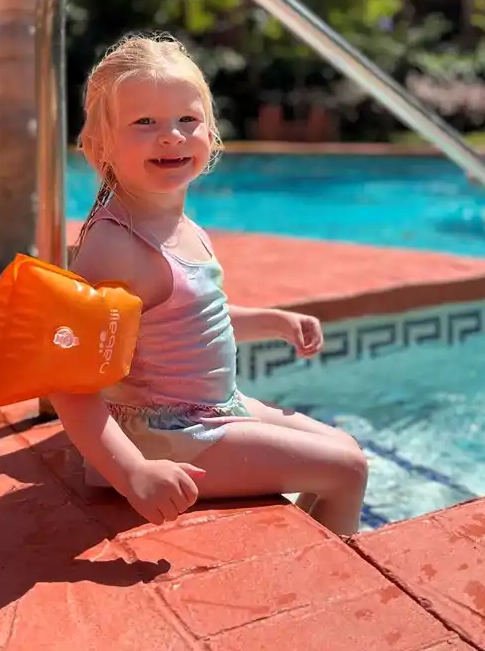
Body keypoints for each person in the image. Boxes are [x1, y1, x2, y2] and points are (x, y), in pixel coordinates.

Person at [49, 33, 369, 536]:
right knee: (347, 472)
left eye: (187, 119)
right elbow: (69, 379)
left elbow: (186, 316)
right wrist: (133, 473)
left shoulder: (178, 224)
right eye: (144, 123)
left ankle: (314, 555)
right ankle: (340, 587)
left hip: (211, 409)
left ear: (211, 132)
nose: (172, 135)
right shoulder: (116, 248)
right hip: (160, 436)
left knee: (346, 450)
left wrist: (272, 321)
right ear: (100, 144)